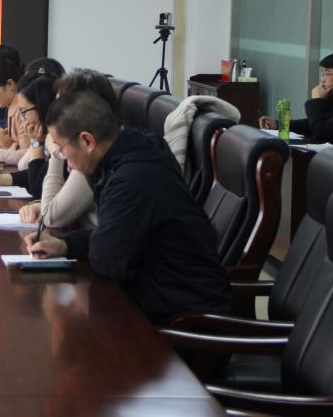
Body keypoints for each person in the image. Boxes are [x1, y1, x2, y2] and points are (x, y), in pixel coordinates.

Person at [25, 90, 232, 324]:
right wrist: (65, 245)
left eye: (62, 150)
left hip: (187, 321)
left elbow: (107, 259)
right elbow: (115, 234)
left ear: (87, 141)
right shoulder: (135, 152)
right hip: (166, 301)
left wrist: (81, 244)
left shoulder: (132, 178)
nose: (64, 159)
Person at [18, 69, 119, 229]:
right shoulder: (88, 147)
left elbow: (50, 216)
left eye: (62, 106)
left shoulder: (92, 158)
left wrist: (56, 152)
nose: (55, 112)